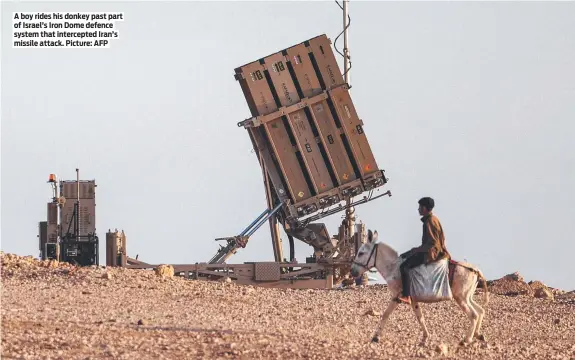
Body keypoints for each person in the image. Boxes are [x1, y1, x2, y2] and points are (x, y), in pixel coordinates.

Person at [397, 197, 451, 304]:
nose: (418, 209)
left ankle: (407, 295)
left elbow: (432, 243)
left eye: (420, 207)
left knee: (404, 266)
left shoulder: (429, 222)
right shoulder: (433, 219)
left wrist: (417, 250)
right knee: (405, 255)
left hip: (430, 253)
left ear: (425, 208)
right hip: (433, 250)